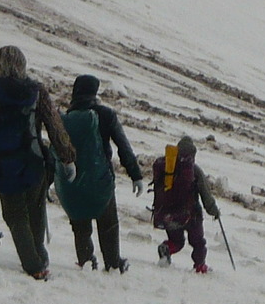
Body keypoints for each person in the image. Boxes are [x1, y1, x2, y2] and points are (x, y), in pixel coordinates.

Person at [0, 45, 73, 280]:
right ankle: (39, 256)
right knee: (35, 210)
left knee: (15, 215)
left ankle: (34, 265)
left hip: (4, 165)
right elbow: (54, 125)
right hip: (34, 161)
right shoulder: (36, 91)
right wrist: (67, 156)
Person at [57, 74, 143, 272]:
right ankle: (113, 263)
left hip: (73, 180)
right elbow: (123, 146)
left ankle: (86, 261)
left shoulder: (67, 118)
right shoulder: (105, 114)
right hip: (100, 179)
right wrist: (135, 174)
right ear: (94, 92)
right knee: (108, 224)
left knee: (80, 225)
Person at [151, 136, 221, 273]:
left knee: (177, 242)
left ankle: (167, 248)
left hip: (169, 214)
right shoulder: (195, 171)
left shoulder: (166, 168)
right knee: (198, 242)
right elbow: (206, 195)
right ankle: (200, 266)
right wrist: (214, 211)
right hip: (191, 215)